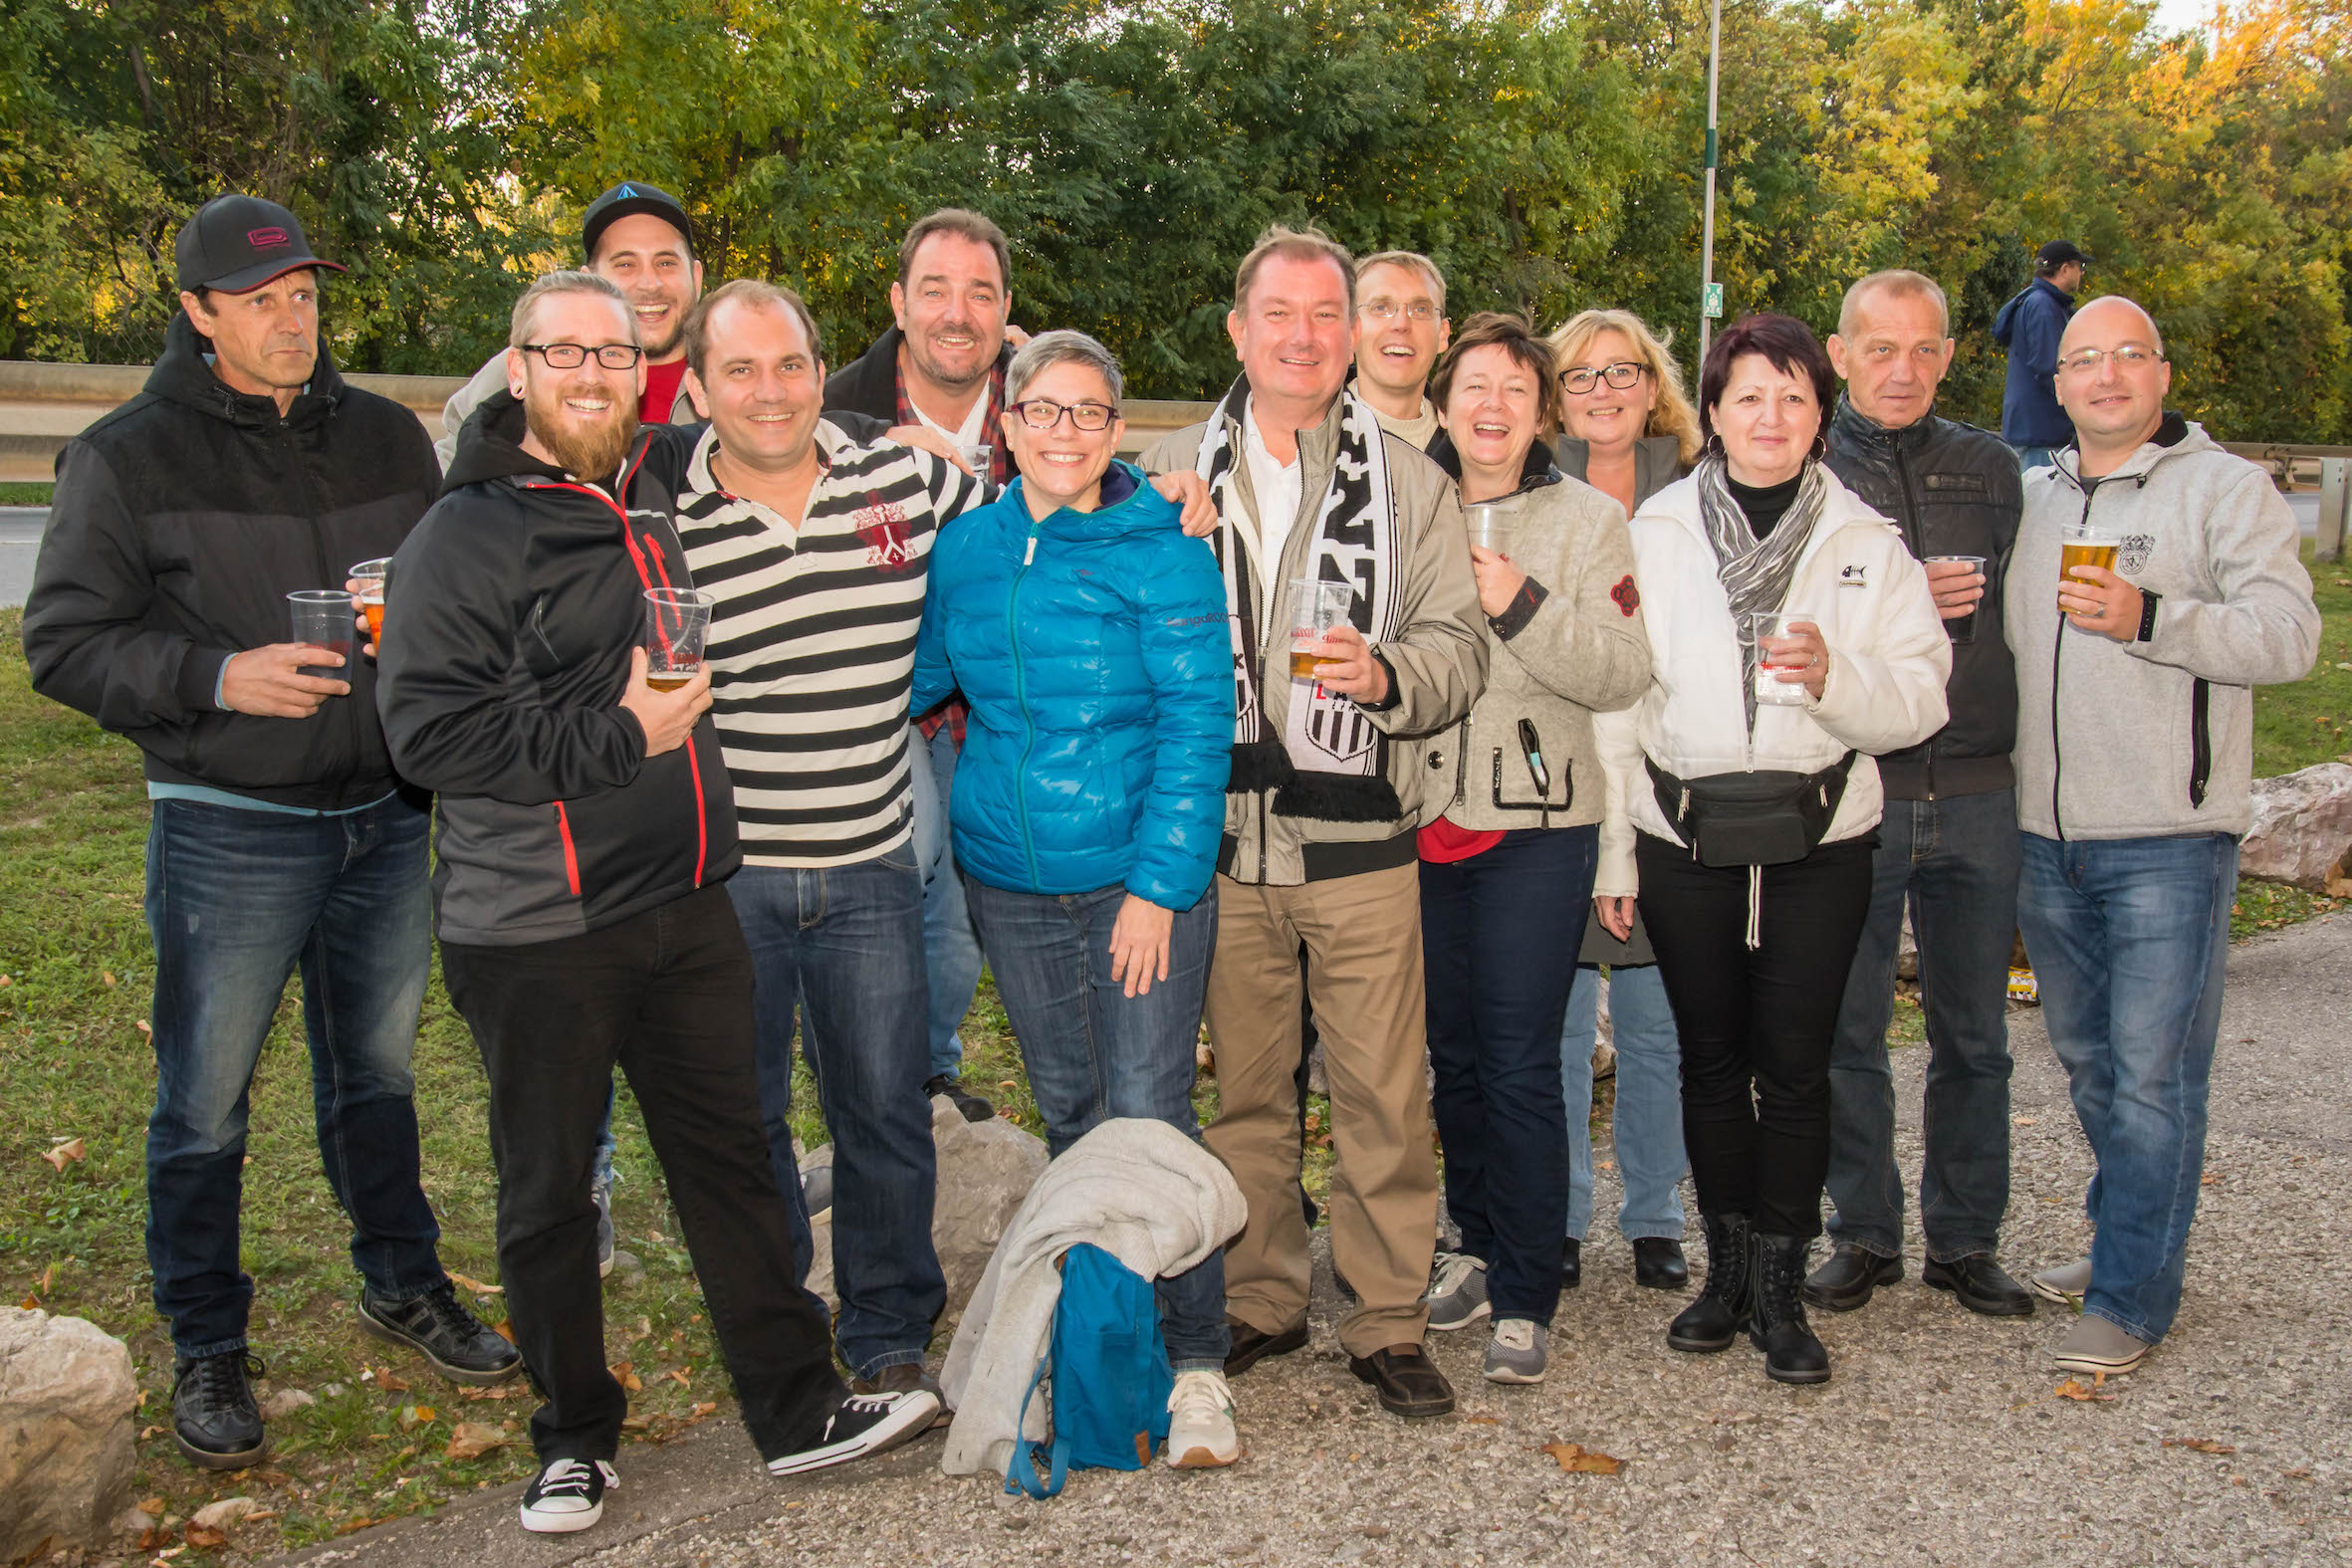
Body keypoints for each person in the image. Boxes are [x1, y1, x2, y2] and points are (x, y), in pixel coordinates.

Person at [377, 270, 940, 1533]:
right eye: (564, 352)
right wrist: (619, 735)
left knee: (732, 1163)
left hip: (686, 903)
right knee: (547, 1193)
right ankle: (573, 1439)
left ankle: (797, 1409)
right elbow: (425, 737)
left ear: (646, 374)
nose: (592, 374)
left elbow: (787, 414)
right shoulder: (461, 534)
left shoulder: (646, 488)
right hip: (537, 925)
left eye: (615, 353)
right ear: (517, 368)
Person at [21, 195, 518, 1470]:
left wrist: (420, 627)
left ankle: (403, 1282)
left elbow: (454, 583)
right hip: (228, 824)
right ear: (197, 312)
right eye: (259, 301)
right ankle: (208, 1343)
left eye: (304, 293)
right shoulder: (126, 456)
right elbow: (64, 643)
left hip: (386, 816)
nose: (292, 319)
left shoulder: (387, 437)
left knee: (380, 1078)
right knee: (204, 1101)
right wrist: (215, 677)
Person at [1141, 224, 1486, 1420]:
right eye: (1277, 313)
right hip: (1220, 844)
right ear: (1237, 330)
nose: (1302, 336)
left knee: (1382, 1095)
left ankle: (1386, 1318)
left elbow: (1460, 647)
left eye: (1325, 314)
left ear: (1351, 334)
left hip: (1359, 840)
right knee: (1246, 1093)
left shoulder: (1412, 480)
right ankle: (1259, 1297)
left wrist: (1389, 674)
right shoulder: (1165, 471)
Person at [1592, 312, 1950, 1386]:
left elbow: (1923, 694)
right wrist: (1616, 853)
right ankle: (1727, 1274)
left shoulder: (1864, 540)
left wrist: (1838, 677)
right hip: (1680, 833)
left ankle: (1783, 1290)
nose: (1771, 416)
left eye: (1794, 397)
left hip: (1821, 834)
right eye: (1749, 395)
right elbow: (1618, 707)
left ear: (1819, 415)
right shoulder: (1653, 533)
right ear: (1710, 410)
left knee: (1795, 1070)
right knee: (1710, 1063)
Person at [910, 328, 1242, 1465]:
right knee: (1070, 1116)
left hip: (1133, 880)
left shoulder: (1165, 549)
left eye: (1088, 412)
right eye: (1042, 410)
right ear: (1006, 425)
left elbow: (1199, 727)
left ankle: (1196, 1364)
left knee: (1148, 1119)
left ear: (1116, 429)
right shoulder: (967, 548)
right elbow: (917, 676)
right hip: (1007, 882)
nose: (1064, 431)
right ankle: (1099, 1350)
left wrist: (1159, 890)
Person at [656, 278, 986, 1405]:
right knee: (743, 1119)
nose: (770, 391)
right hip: (728, 880)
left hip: (872, 862)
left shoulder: (904, 478)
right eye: (739, 370)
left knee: (883, 1109)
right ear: (696, 390)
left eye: (790, 364)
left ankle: (889, 1330)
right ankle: (782, 1333)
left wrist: (1156, 488)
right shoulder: (661, 524)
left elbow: (1042, 502)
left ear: (820, 370)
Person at [2008, 296, 2317, 1377]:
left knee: (2152, 1077)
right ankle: (2120, 1243)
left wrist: (2152, 618)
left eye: (2127, 356)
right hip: (2043, 835)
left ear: (2162, 374)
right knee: (2091, 1063)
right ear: (2057, 386)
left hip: (2167, 838)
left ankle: (2133, 1295)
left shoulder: (2225, 490)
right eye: (2084, 359)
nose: (2106, 375)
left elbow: (2290, 636)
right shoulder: (2032, 496)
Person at [1413, 315, 1651, 1385]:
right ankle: (1471, 1242)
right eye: (1474, 385)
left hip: (1538, 824)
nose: (1493, 406)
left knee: (1517, 1060)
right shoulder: (1403, 504)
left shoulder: (1591, 520)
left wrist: (1522, 605)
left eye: (1515, 388)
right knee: (1452, 1055)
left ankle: (1525, 1288)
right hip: (1417, 817)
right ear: (1442, 401)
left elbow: (1622, 670)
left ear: (1541, 409)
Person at [1809, 269, 2034, 1319]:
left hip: (1979, 786)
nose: (1902, 369)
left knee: (1974, 1036)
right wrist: (1901, 597)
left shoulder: (1993, 468)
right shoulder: (1806, 465)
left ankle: (1965, 1237)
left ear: (1947, 355)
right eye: (1880, 347)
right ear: (1840, 353)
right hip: (1861, 785)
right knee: (1847, 1031)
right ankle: (1862, 1231)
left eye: (1923, 348)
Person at [825, 208, 1028, 1122]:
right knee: (898, 872)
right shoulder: (835, 415)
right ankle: (873, 1084)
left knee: (958, 914)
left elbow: (1102, 493)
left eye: (979, 293)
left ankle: (928, 1070)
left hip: (990, 702)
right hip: (879, 695)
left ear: (1006, 309)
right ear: (898, 302)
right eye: (935, 289)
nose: (957, 312)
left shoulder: (1039, 408)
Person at [1545, 307, 1703, 1293]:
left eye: (1621, 372)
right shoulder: (1523, 488)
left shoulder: (1696, 494)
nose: (1602, 391)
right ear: (1555, 398)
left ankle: (1654, 1215)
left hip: (1664, 784)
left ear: (1652, 386)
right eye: (1580, 375)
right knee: (1556, 1027)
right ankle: (1559, 1217)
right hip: (1556, 782)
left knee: (1656, 1023)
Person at [437, 181, 706, 470]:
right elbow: (449, 473)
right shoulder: (530, 366)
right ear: (590, 281)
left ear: (696, 277)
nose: (649, 284)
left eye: (666, 263)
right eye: (625, 265)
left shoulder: (730, 379)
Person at [1993, 240, 2089, 472]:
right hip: (2043, 432)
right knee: (2042, 494)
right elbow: (2049, 367)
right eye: (2080, 266)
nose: (2082, 273)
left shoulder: (2035, 301)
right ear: (2064, 269)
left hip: (2033, 429)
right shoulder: (2043, 306)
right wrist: (2080, 411)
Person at [1352, 250, 1451, 449]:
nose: (1401, 324)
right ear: (1351, 329)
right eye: (1381, 308)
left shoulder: (1467, 449)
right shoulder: (1302, 430)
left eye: (1420, 309)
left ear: (1442, 334)